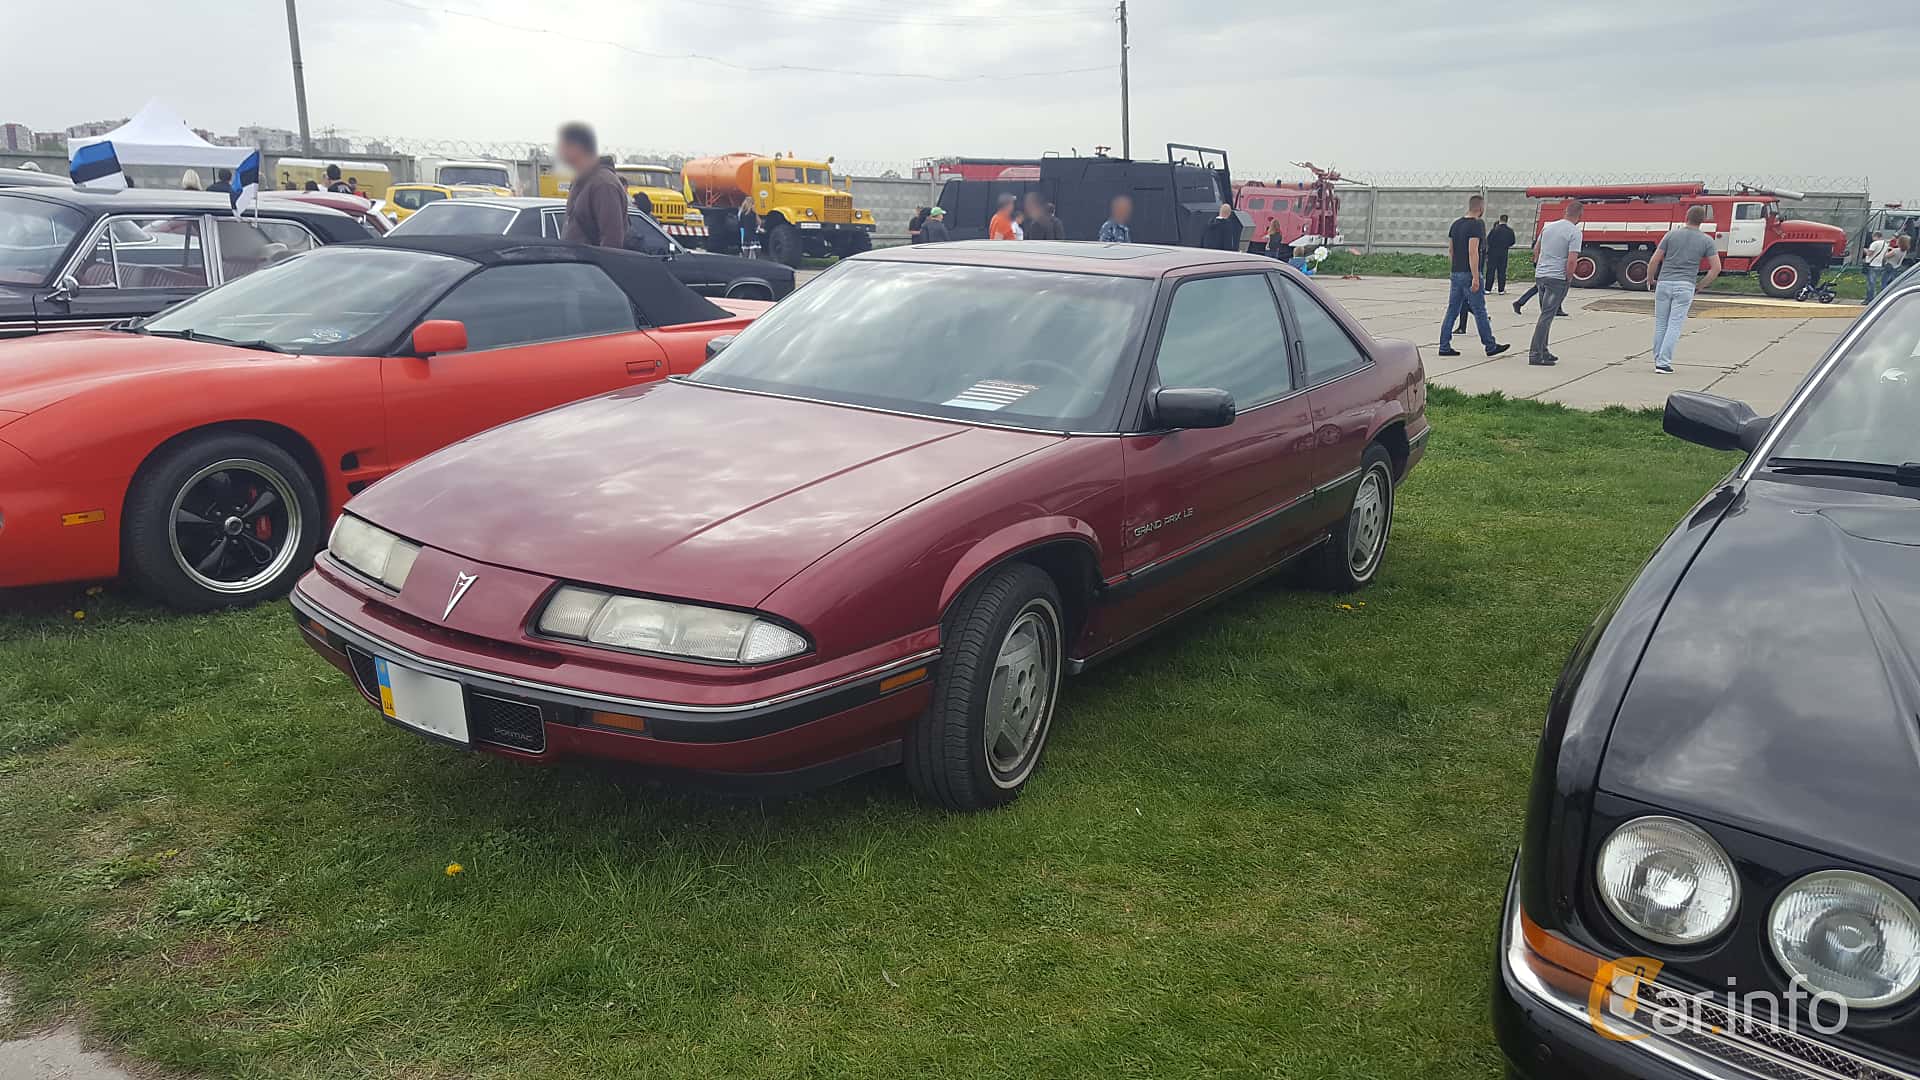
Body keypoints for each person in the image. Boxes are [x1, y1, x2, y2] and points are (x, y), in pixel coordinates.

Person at [1645, 204, 1723, 374]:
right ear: (1703, 221)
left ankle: (1658, 358)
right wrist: (1700, 286)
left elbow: (1654, 260)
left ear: (1686, 216)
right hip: (1686, 284)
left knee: (1660, 324)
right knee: (1675, 324)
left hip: (1664, 283)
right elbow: (1716, 268)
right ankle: (1663, 363)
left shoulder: (1671, 235)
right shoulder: (1706, 240)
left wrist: (1651, 279)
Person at [1438, 195, 1508, 358]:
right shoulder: (1476, 225)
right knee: (1479, 310)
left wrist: (1455, 269)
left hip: (1456, 272)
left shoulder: (1455, 224)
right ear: (1481, 208)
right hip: (1469, 273)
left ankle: (1444, 345)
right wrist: (1475, 276)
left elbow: (1451, 251)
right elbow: (1473, 251)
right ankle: (1490, 345)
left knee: (1452, 310)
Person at [1526, 202, 1583, 367]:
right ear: (1580, 215)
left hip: (1541, 276)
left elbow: (1536, 251)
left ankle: (1544, 349)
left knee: (1545, 314)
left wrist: (1539, 267)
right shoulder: (1574, 232)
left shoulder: (1548, 228)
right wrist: (1569, 278)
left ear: (1565, 211)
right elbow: (1572, 260)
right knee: (1546, 317)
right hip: (1557, 278)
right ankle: (1535, 354)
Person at [555, 122, 627, 249]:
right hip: (574, 265)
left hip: (588, 266)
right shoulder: (582, 180)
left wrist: (595, 268)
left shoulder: (604, 185)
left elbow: (612, 241)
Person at [1486, 214, 1517, 293]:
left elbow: (1488, 240)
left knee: (1490, 271)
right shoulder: (1510, 231)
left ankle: (1488, 289)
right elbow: (1513, 241)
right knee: (1502, 271)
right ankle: (1501, 290)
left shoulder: (1494, 230)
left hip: (1493, 253)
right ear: (1507, 220)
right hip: (1504, 252)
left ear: (1500, 219)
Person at [1864, 231, 1889, 302]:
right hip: (1879, 264)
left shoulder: (1875, 243)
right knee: (1874, 282)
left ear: (1875, 236)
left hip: (1872, 265)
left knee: (1870, 283)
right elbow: (1885, 255)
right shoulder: (1885, 244)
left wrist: (1865, 250)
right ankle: (1873, 297)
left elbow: (1869, 253)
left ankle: (1869, 298)